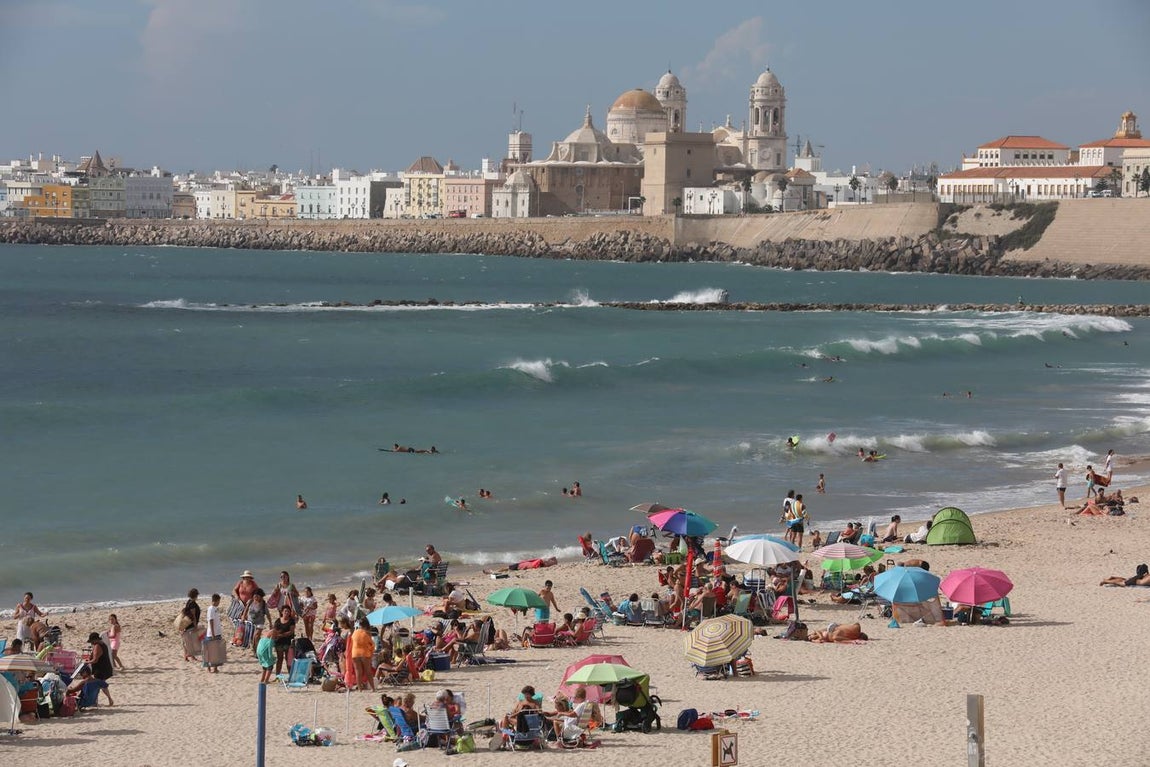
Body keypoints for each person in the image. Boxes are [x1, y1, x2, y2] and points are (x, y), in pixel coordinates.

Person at [349, 617, 377, 691]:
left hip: (355, 653)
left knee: (358, 671)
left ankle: (360, 689)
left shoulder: (355, 632)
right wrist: (371, 651)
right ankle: (373, 688)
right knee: (368, 671)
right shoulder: (367, 632)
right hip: (364, 652)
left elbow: (352, 641)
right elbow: (371, 644)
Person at [243, 588, 269, 657]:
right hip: (251, 622)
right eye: (254, 596)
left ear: (261, 596)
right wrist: (243, 616)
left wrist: (271, 623)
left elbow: (267, 614)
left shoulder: (263, 603)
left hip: (260, 622)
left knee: (256, 636)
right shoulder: (250, 601)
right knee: (252, 639)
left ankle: (258, 652)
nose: (256, 597)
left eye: (257, 596)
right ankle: (255, 651)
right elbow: (246, 608)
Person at [272, 605, 297, 675]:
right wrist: (276, 636)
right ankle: (277, 675)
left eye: (288, 611)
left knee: (288, 659)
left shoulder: (291, 621)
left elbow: (291, 632)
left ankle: (290, 675)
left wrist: (281, 635)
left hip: (288, 642)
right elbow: (274, 630)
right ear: (282, 612)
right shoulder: (278, 621)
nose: (287, 613)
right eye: (285, 611)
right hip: (279, 642)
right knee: (279, 659)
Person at [180, 588, 202, 661]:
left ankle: (187, 656)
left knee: (187, 640)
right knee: (191, 640)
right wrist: (195, 625)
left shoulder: (188, 602)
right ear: (195, 595)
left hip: (187, 623)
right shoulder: (192, 603)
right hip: (191, 624)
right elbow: (194, 616)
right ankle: (189, 656)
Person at [204, 593, 223, 673]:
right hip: (212, 633)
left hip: (217, 632)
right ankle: (208, 668)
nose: (219, 602)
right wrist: (212, 633)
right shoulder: (211, 609)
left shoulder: (216, 608)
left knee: (216, 652)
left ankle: (215, 668)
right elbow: (210, 620)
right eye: (218, 601)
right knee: (210, 651)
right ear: (216, 600)